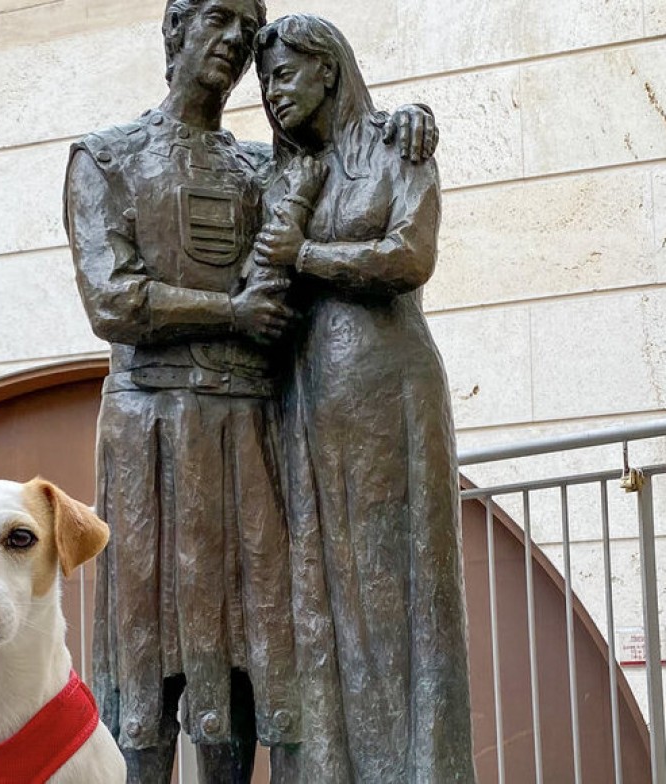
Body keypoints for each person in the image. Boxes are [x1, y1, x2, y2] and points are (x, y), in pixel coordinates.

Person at [62, 3, 438, 780]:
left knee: (261, 655)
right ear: (175, 31)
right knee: (145, 660)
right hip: (154, 434)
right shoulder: (106, 158)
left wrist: (401, 124)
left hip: (254, 434)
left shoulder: (266, 166)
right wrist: (231, 311)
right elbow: (114, 301)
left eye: (247, 24)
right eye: (218, 17)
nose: (234, 39)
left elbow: (348, 172)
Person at [252, 14, 476, 783]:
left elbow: (409, 255)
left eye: (283, 75)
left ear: (327, 69)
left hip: (387, 390)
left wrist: (304, 256)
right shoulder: (286, 175)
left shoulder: (396, 146)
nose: (272, 94)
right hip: (307, 399)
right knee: (323, 596)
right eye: (265, 82)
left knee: (400, 590)